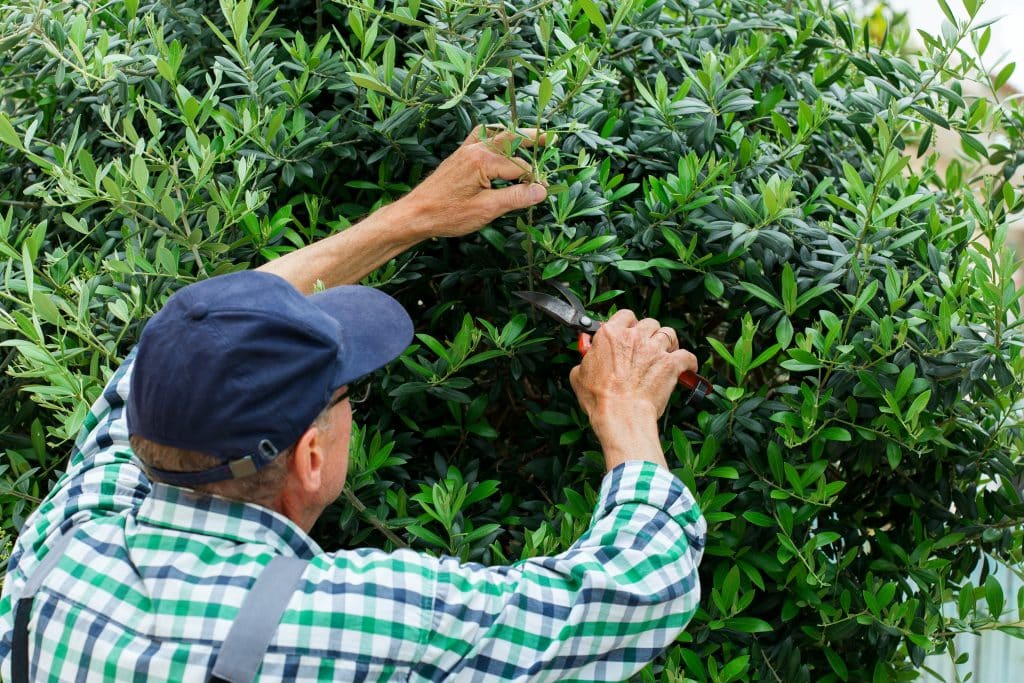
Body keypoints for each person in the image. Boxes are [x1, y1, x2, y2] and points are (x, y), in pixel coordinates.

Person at [0, 127, 706, 682]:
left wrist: (411, 218)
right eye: (348, 392)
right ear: (311, 455)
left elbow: (182, 341)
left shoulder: (64, 545)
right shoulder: (359, 618)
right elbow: (632, 590)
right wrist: (626, 409)